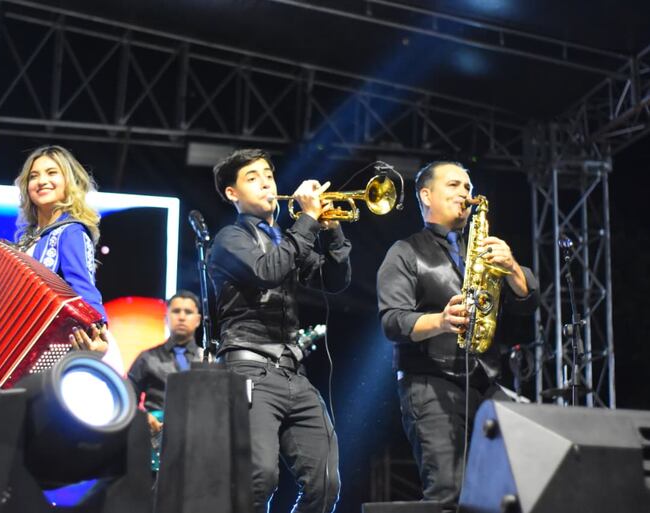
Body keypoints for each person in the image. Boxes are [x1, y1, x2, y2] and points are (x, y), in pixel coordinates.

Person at [376, 161, 539, 511]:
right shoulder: (404, 252)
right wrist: (441, 321)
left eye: (468, 187)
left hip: (484, 379)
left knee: (528, 468)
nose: (465, 193)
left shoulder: (483, 248)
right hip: (429, 382)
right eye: (454, 186)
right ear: (426, 195)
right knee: (449, 492)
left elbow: (528, 303)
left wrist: (511, 267)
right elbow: (392, 321)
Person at [0, 145, 122, 479]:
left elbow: (85, 292)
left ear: (68, 182)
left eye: (51, 173)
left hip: (33, 363)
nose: (41, 181)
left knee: (0, 469)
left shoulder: (72, 231)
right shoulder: (24, 243)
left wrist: (96, 334)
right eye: (34, 176)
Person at [208, 148, 351, 513]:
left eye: (269, 175)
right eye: (252, 177)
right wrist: (306, 220)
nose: (266, 182)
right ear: (232, 194)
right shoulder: (229, 239)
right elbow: (267, 271)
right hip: (248, 371)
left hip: (293, 374)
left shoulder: (286, 241)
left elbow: (334, 280)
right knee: (259, 478)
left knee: (326, 482)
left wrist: (331, 229)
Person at [127, 290, 203, 437]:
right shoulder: (147, 358)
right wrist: (143, 418)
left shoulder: (208, 359)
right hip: (156, 439)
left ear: (198, 320)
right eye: (176, 311)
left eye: (188, 312)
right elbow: (127, 397)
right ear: (166, 318)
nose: (181, 317)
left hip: (198, 439)